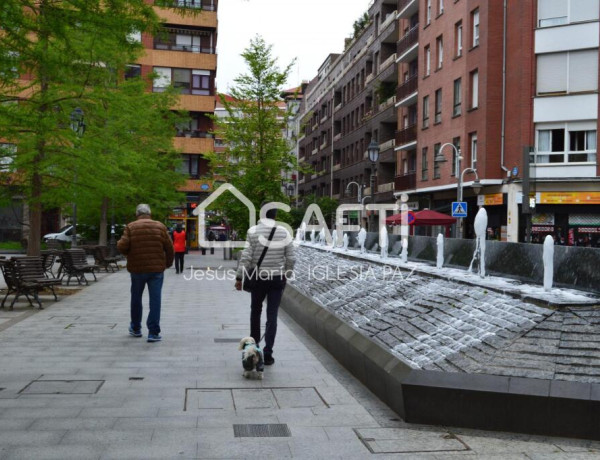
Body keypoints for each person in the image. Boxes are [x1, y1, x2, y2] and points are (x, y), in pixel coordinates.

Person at [235, 206, 295, 365]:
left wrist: (240, 277)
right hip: (276, 279)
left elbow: (246, 257)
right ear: (276, 215)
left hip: (258, 279)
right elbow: (291, 258)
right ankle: (268, 353)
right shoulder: (284, 232)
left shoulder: (253, 231)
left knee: (255, 312)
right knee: (272, 315)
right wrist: (286, 275)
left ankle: (254, 350)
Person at [117, 204, 174, 343]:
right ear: (150, 213)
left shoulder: (131, 227)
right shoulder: (160, 226)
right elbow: (169, 247)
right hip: (156, 270)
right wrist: (168, 263)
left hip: (137, 269)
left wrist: (128, 254)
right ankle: (153, 332)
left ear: (137, 214)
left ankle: (136, 328)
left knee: (136, 298)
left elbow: (122, 246)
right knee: (155, 300)